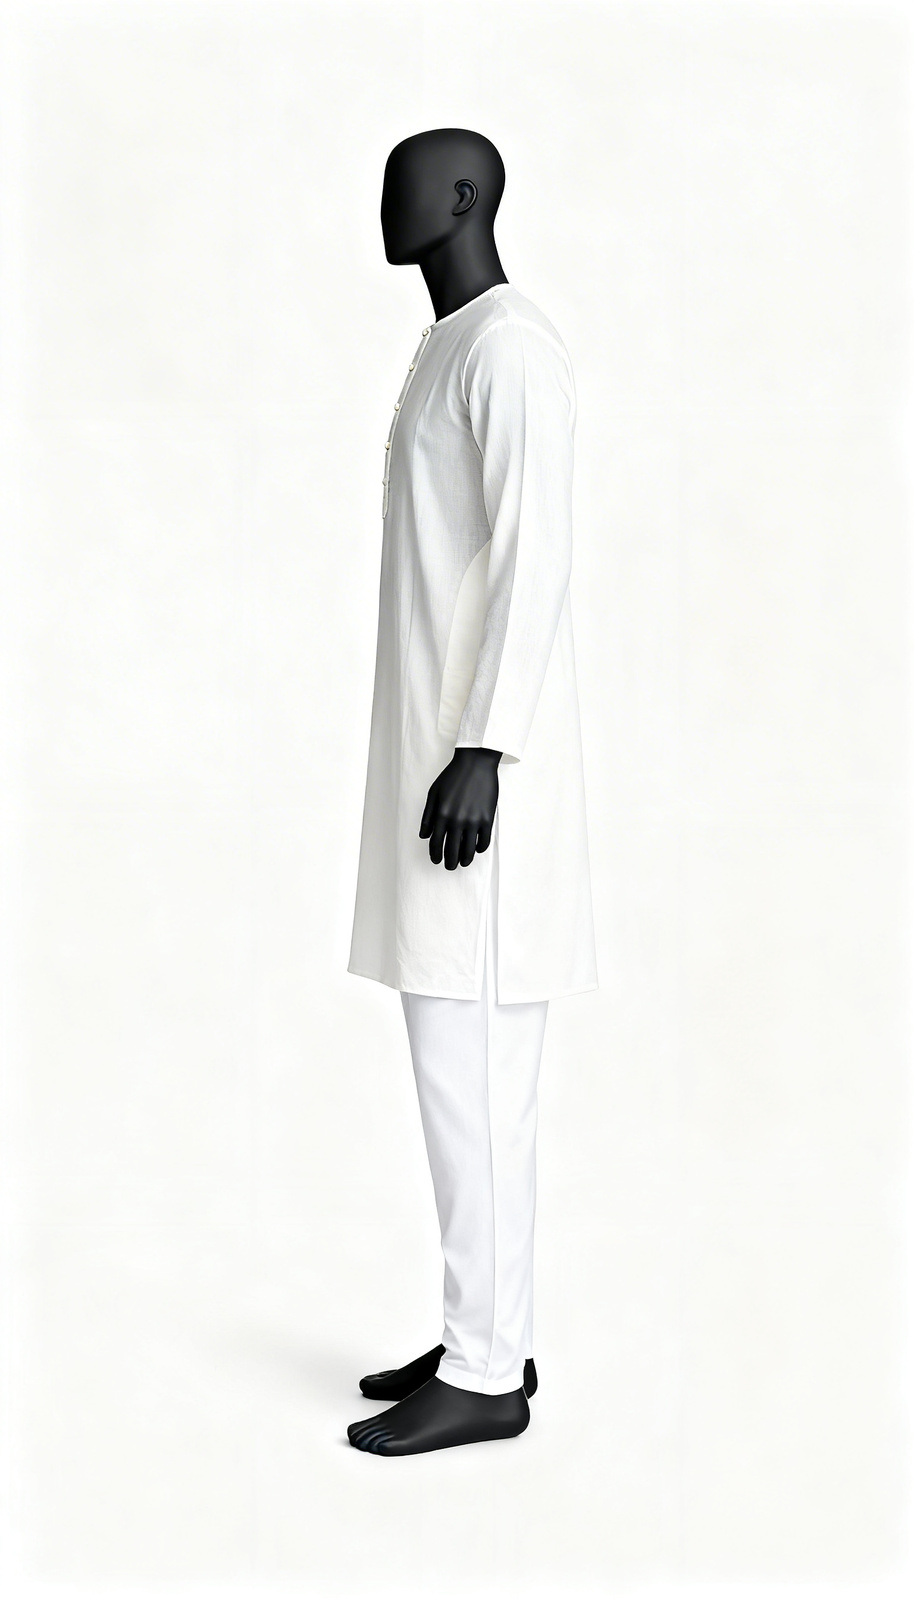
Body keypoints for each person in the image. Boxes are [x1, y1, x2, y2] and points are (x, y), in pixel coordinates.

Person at [346, 128, 598, 1455]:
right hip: (438, 774)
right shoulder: (448, 347)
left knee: (479, 1078)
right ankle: (478, 1333)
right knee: (454, 1075)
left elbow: (532, 554)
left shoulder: (508, 348)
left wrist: (485, 747)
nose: (385, 200)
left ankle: (488, 1370)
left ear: (465, 197)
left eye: (409, 179)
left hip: (476, 793)